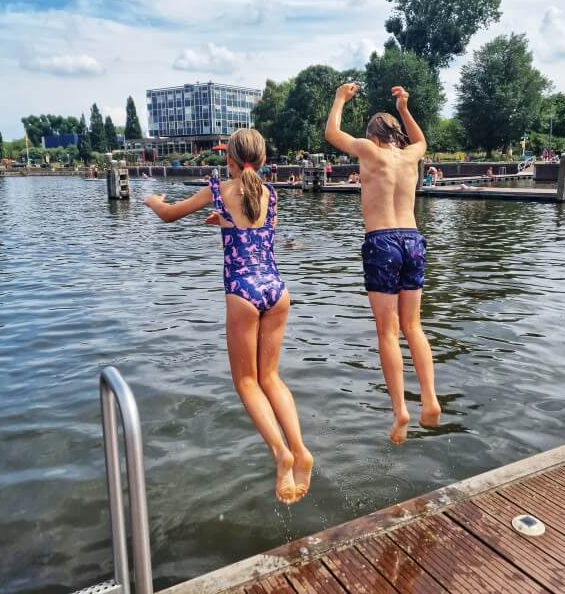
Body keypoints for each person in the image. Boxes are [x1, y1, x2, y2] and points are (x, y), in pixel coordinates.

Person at [143, 129, 313, 504]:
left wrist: (154, 201)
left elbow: (171, 216)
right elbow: (256, 234)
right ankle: (300, 449)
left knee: (246, 382)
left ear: (229, 161)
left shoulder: (219, 189)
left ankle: (280, 454)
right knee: (271, 377)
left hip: (243, 294)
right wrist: (225, 224)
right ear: (264, 161)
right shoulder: (271, 194)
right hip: (277, 290)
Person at [325, 83, 441, 445]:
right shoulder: (412, 156)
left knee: (388, 333)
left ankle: (400, 410)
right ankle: (430, 398)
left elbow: (331, 133)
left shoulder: (367, 151)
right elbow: (420, 140)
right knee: (414, 327)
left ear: (373, 135)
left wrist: (340, 99)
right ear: (397, 134)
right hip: (413, 239)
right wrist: (405, 107)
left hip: (382, 242)